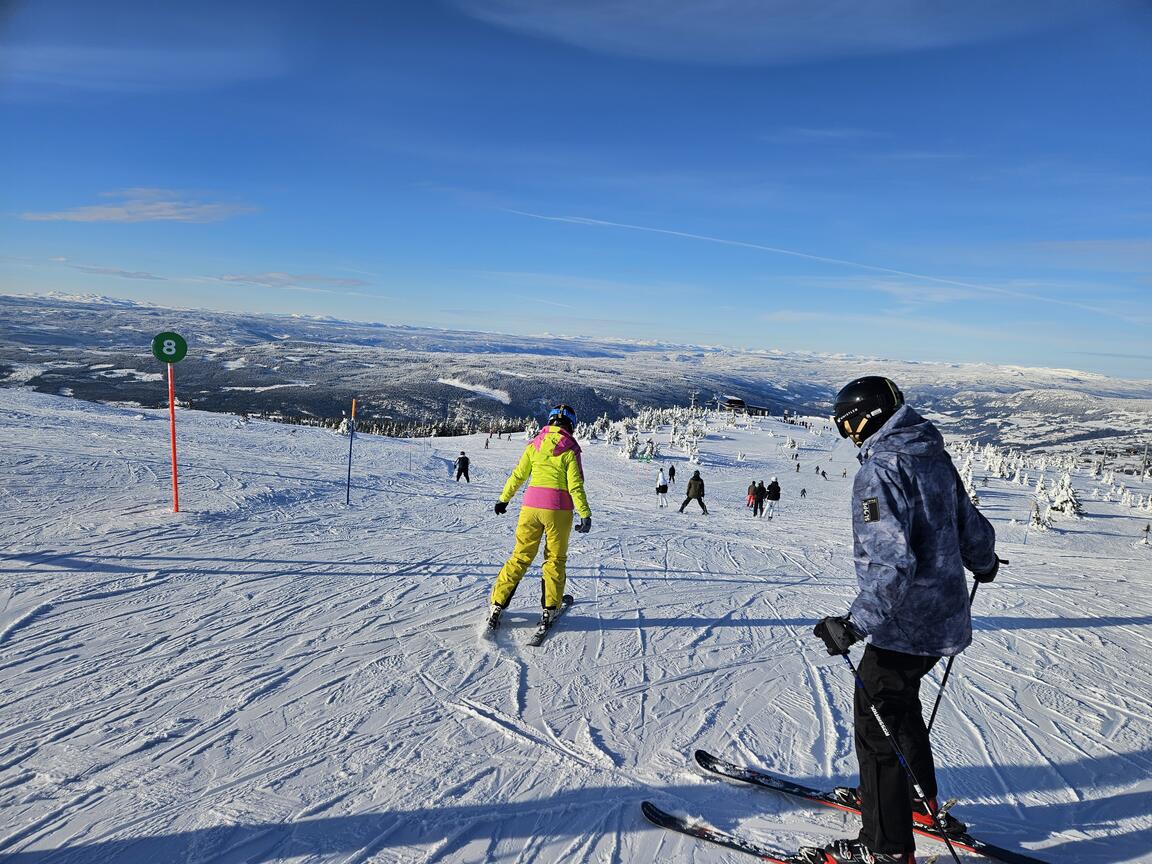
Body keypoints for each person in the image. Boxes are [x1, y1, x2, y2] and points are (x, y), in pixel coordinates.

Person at [804, 376, 998, 864]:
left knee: (877, 723)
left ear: (867, 416)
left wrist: (854, 624)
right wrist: (984, 560)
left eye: (847, 423)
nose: (848, 435)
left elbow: (889, 563)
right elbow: (967, 519)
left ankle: (885, 848)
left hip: (905, 623)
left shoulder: (881, 470)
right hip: (943, 618)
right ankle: (917, 803)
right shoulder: (927, 450)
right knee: (900, 706)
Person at [487, 405, 592, 630]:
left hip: (530, 508)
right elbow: (575, 485)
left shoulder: (534, 444)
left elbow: (518, 475)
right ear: (571, 424)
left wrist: (503, 499)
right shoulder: (570, 448)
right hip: (558, 510)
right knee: (554, 559)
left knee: (520, 556)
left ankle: (497, 603)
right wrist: (584, 513)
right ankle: (550, 608)